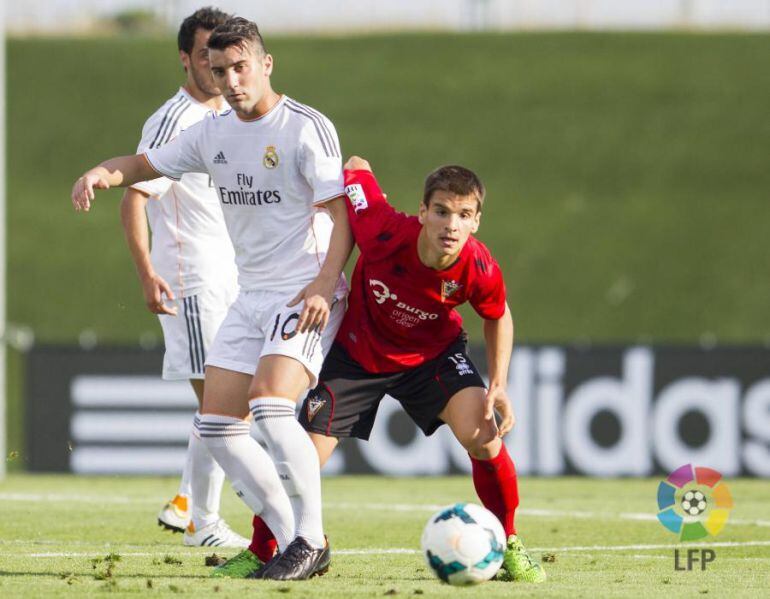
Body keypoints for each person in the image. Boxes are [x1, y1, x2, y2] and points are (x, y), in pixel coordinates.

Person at [72, 17, 352, 581]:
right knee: (218, 426)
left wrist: (325, 283)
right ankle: (292, 539)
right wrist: (102, 172)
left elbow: (341, 212)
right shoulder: (211, 132)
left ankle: (310, 536)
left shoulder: (305, 127)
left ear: (266, 64)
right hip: (250, 296)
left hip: (303, 292)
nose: (231, 80)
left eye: (240, 67)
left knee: (270, 405)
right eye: (220, 70)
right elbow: (144, 166)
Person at [236, 157, 546, 583]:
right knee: (299, 453)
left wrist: (498, 384)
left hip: (431, 358)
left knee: (484, 436)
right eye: (441, 211)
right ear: (422, 212)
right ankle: (261, 550)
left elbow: (498, 315)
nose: (451, 225)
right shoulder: (381, 228)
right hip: (358, 356)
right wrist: (332, 186)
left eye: (463, 215)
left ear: (476, 222)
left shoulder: (478, 267)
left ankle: (509, 542)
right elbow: (355, 166)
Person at [120, 6, 247, 550]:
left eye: (222, 59)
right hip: (190, 280)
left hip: (230, 279)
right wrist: (148, 273)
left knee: (229, 401)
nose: (216, 69)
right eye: (204, 56)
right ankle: (202, 521)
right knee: (224, 403)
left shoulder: (228, 117)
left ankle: (186, 505)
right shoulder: (174, 119)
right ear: (185, 59)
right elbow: (135, 196)